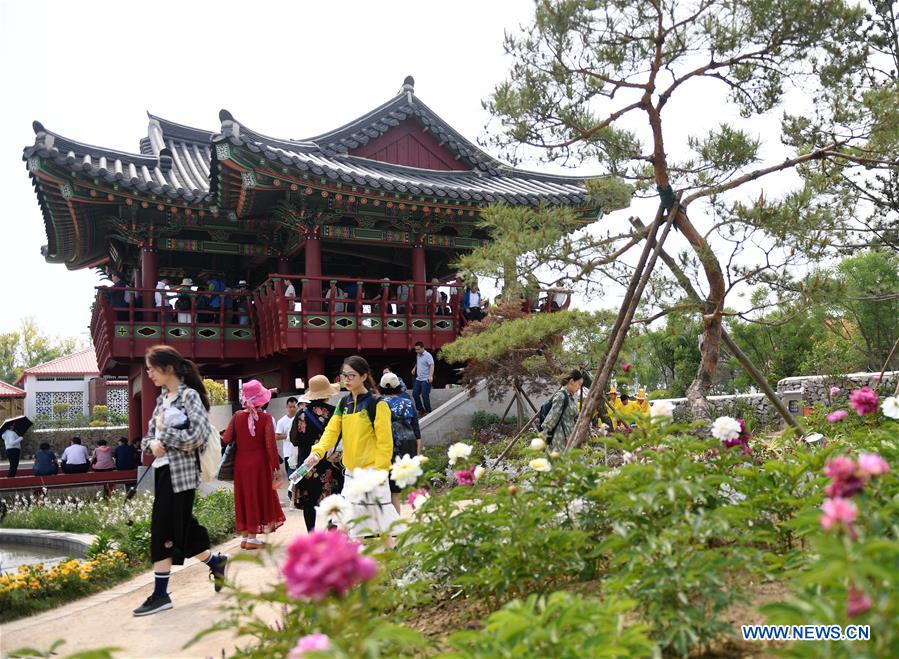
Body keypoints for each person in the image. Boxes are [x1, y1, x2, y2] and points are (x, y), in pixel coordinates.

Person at [134, 344, 227, 617]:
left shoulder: (190, 397)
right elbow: (146, 438)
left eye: (152, 368)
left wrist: (165, 438)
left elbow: (197, 436)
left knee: (162, 531)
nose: (149, 373)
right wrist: (152, 444)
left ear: (168, 368)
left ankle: (161, 595)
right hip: (163, 472)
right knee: (184, 531)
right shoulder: (163, 399)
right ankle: (217, 563)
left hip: (182, 475)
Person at [301, 356, 401, 538]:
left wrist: (379, 472)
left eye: (351, 376)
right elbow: (331, 432)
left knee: (381, 524)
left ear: (364, 376)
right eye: (343, 376)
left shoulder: (377, 404)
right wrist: (317, 452)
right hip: (351, 473)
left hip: (372, 473)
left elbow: (385, 443)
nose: (346, 380)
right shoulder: (343, 404)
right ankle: (355, 561)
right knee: (350, 523)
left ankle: (396, 561)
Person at [222, 380, 285, 550]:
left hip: (241, 464)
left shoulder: (236, 416)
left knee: (245, 496)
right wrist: (276, 468)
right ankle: (252, 538)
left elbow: (227, 438)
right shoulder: (265, 418)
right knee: (257, 496)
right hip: (260, 465)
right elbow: (270, 446)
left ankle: (245, 537)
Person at [290, 374, 341, 533]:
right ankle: (331, 529)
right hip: (328, 462)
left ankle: (311, 533)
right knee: (330, 497)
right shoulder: (334, 412)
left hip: (308, 463)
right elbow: (339, 436)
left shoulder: (301, 414)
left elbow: (294, 439)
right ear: (327, 394)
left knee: (309, 501)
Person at [380, 372, 421, 513]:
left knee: (393, 491)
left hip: (391, 447)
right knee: (411, 486)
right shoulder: (409, 403)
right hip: (409, 446)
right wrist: (417, 453)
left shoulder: (380, 404)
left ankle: (396, 521)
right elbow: (417, 431)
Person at [540, 370, 584, 447]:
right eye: (579, 384)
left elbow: (576, 418)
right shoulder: (561, 396)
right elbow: (553, 417)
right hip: (560, 439)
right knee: (562, 458)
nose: (579, 387)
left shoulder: (572, 398)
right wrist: (544, 435)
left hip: (571, 438)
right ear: (572, 381)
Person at [276, 397, 299, 486]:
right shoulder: (282, 421)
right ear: (287, 407)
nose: (292, 409)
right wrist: (290, 435)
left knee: (300, 477)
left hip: (300, 453)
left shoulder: (301, 418)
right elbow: (276, 436)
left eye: (294, 407)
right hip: (288, 454)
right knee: (292, 478)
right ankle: (292, 496)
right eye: (290, 407)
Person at [411, 341, 434, 415]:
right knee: (415, 393)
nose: (416, 351)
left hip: (426, 379)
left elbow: (432, 365)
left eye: (418, 349)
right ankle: (421, 409)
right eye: (416, 349)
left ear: (422, 348)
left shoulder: (428, 355)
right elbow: (418, 362)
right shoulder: (418, 355)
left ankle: (428, 411)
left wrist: (430, 376)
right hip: (418, 379)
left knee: (424, 395)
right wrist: (414, 368)